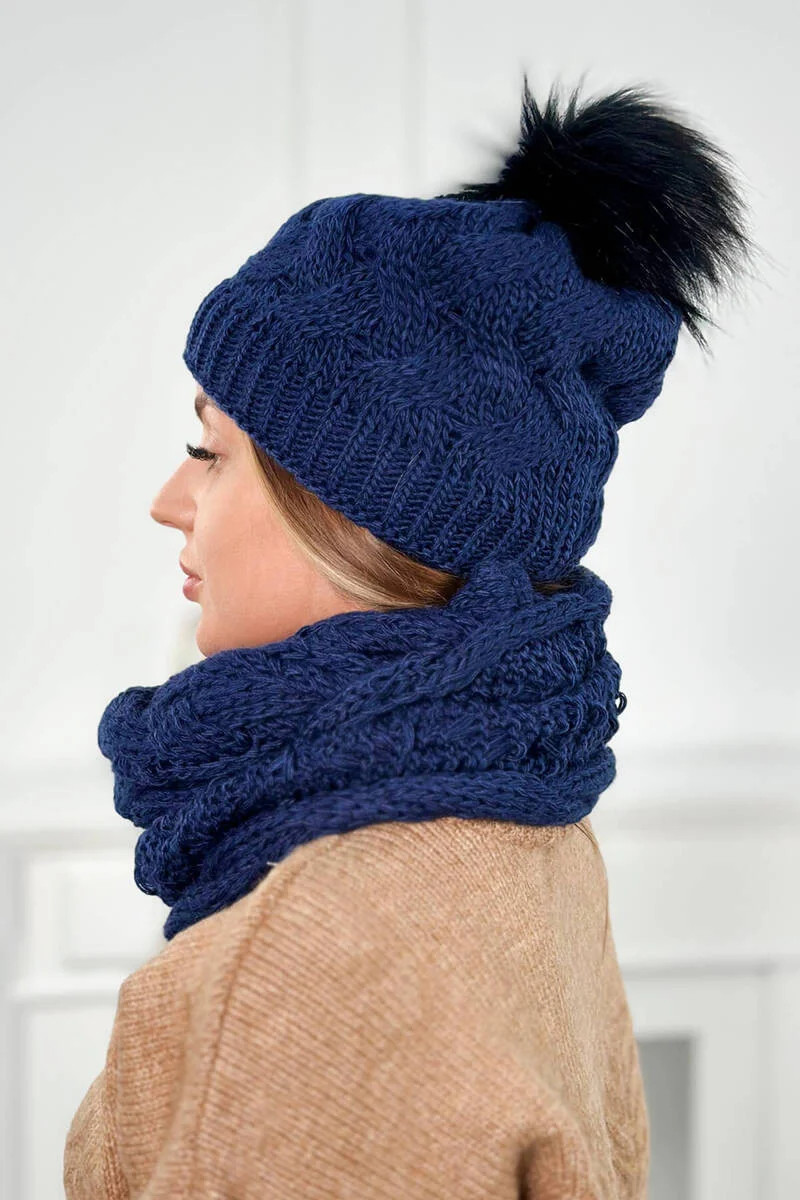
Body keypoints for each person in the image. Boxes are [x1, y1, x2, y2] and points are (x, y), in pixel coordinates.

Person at [63, 72, 757, 1198]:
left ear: (352, 507)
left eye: (210, 452)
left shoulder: (322, 945)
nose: (167, 501)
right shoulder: (525, 814)